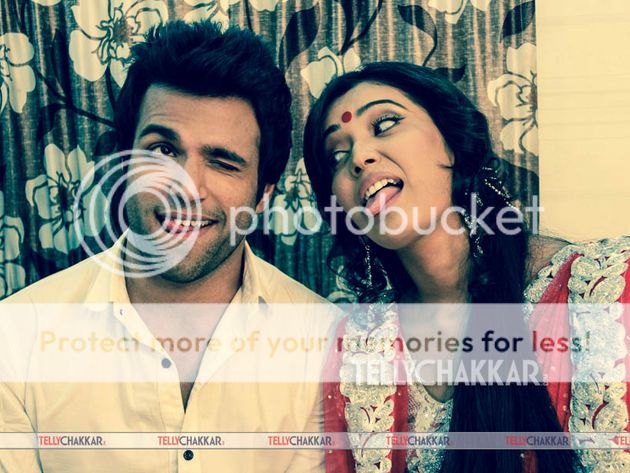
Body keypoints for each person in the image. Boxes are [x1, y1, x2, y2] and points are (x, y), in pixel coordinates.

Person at [0, 21, 337, 472]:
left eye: (223, 162)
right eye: (162, 150)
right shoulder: (14, 339)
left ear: (263, 194)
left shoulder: (326, 344)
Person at [302, 62, 630, 472]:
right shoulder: (357, 348)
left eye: (385, 124)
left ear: (452, 143)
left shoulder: (602, 293)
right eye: (337, 154)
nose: (359, 157)